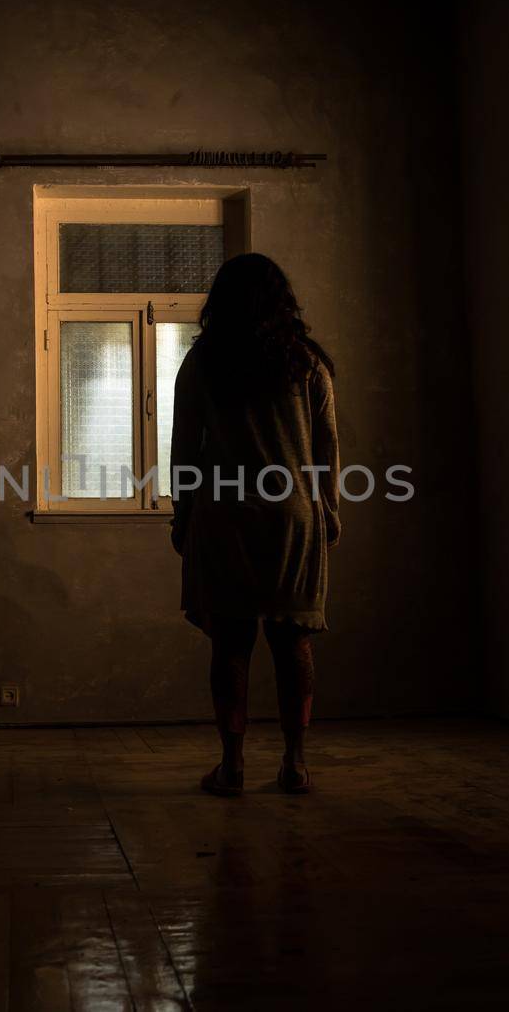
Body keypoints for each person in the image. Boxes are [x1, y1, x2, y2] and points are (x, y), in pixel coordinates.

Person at [169, 253, 340, 797]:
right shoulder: (307, 363)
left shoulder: (203, 362)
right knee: (294, 644)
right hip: (292, 515)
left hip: (223, 515)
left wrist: (184, 514)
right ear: (281, 300)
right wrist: (329, 512)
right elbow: (326, 452)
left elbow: (183, 451)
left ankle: (233, 764)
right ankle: (295, 763)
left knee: (232, 645)